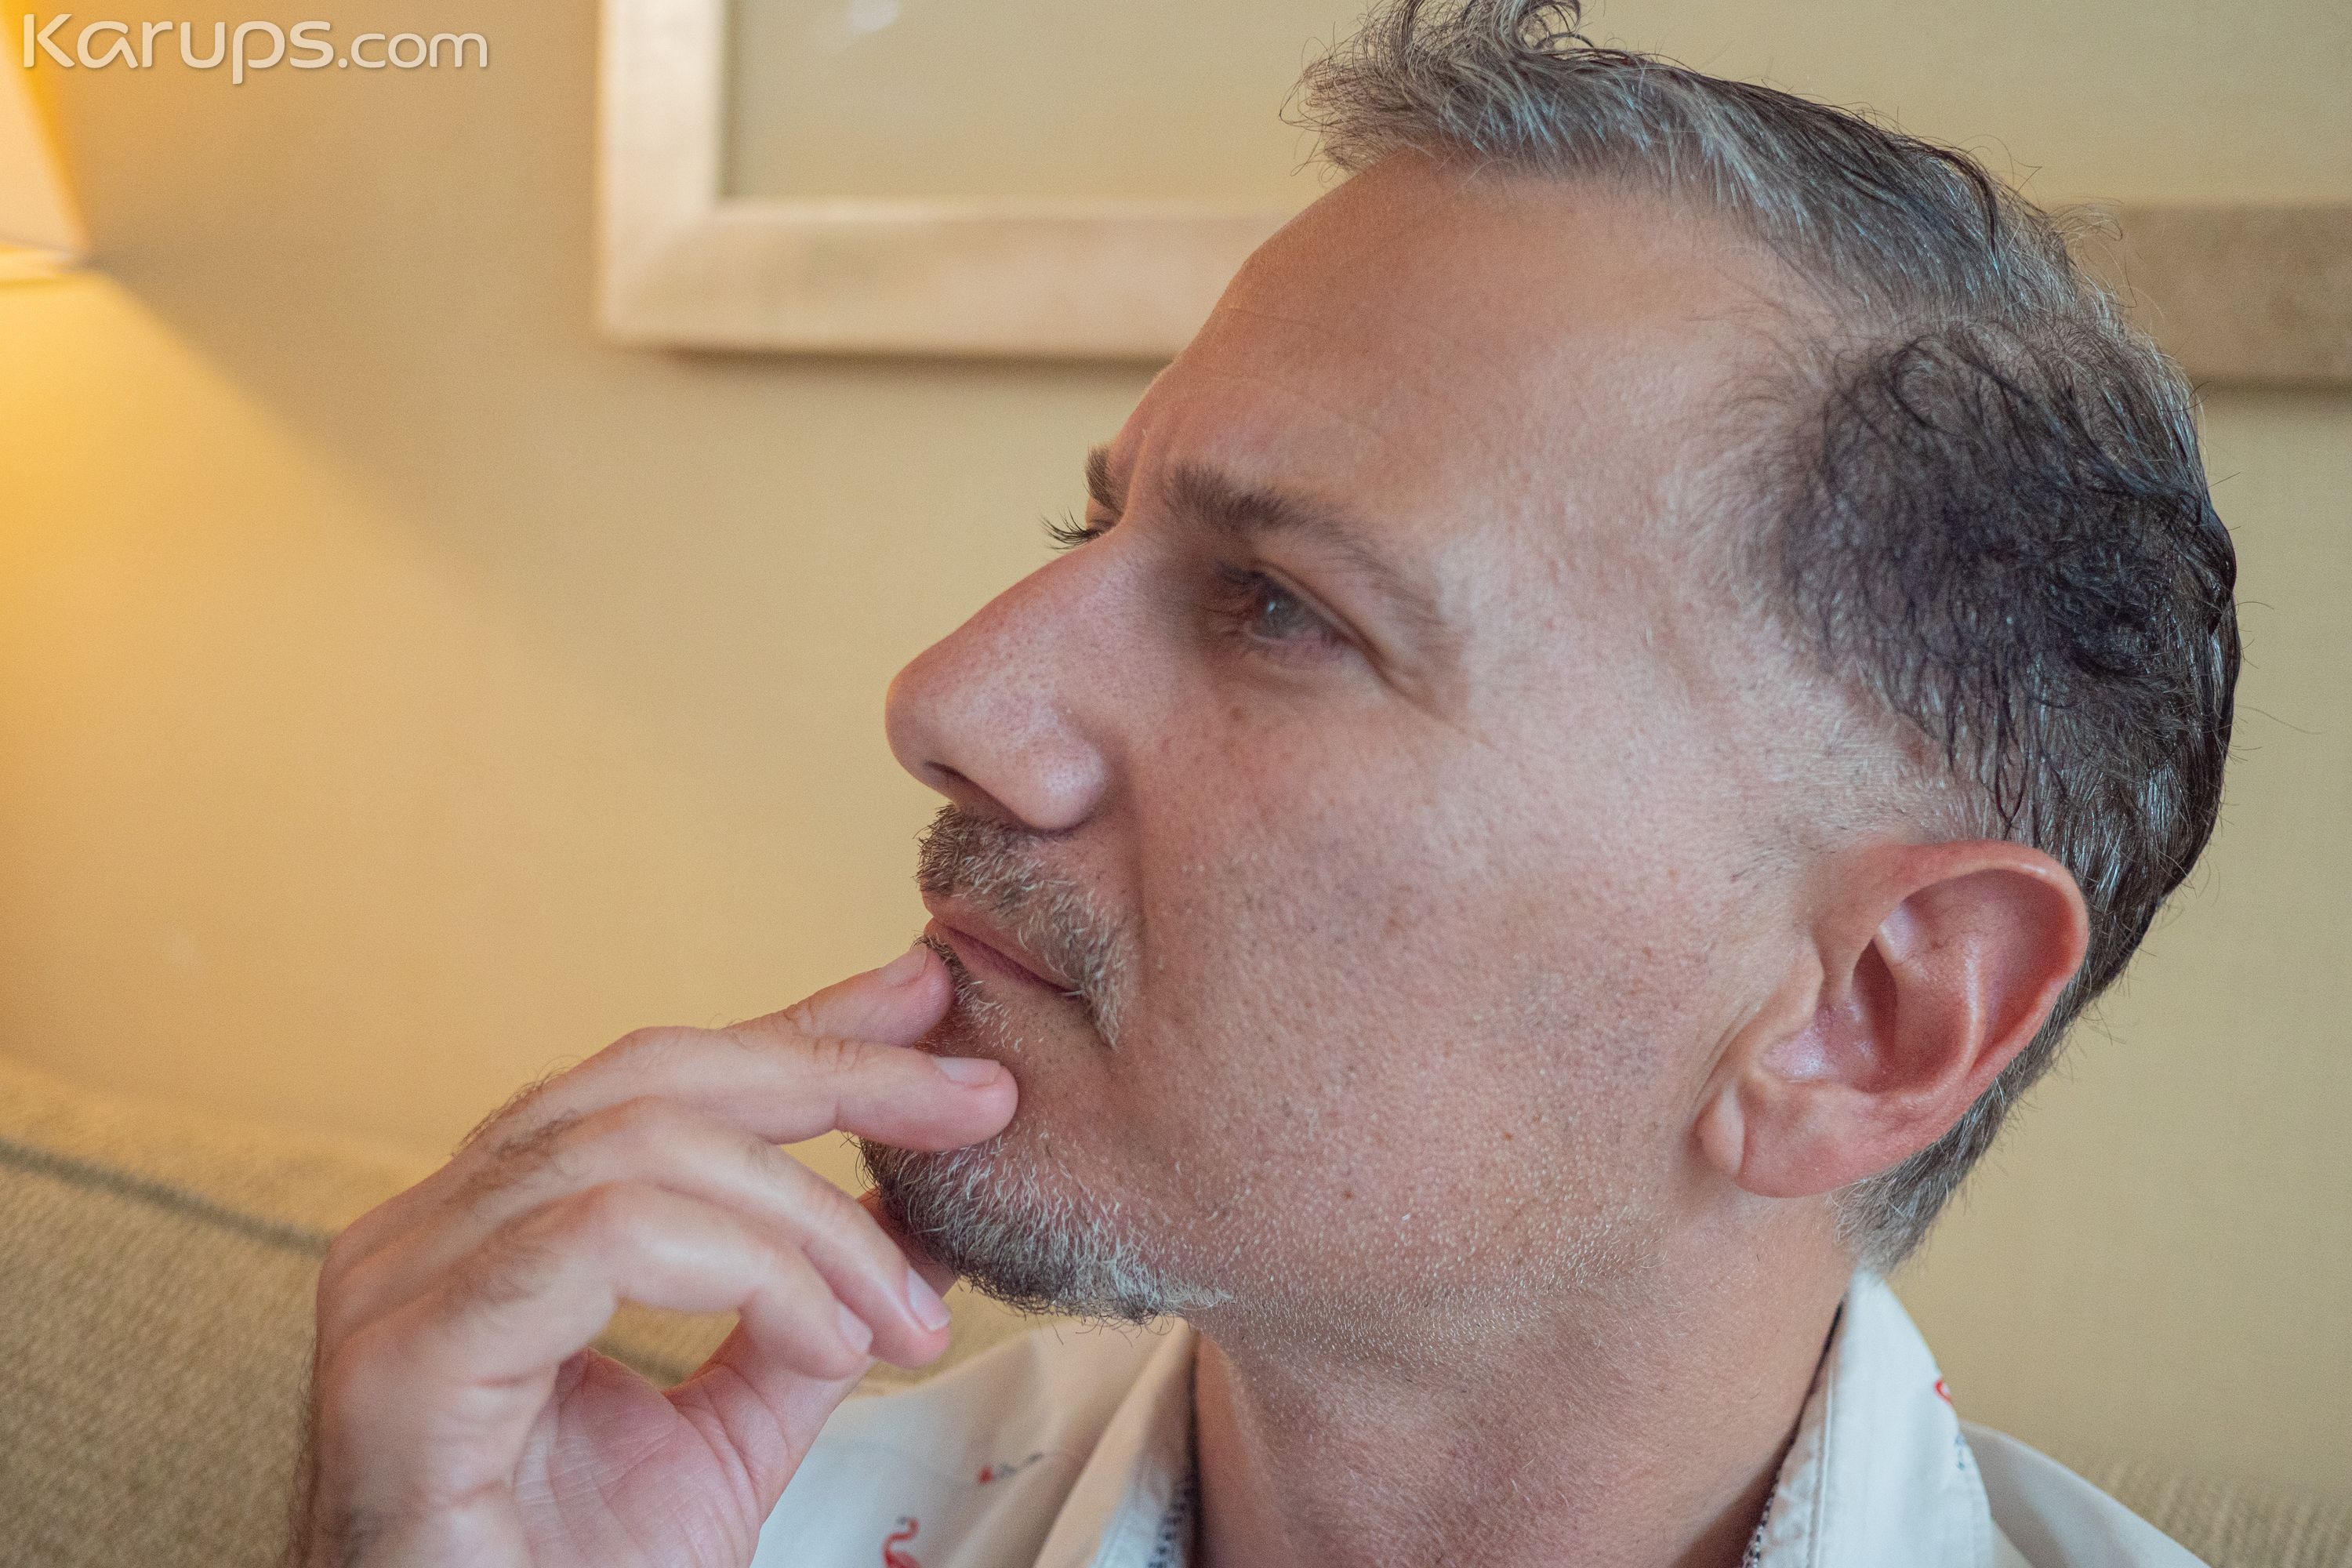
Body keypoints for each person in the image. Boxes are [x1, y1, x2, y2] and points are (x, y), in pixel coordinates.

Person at [289, 3, 2241, 1564]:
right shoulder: (682, 1535)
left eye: (1280, 608)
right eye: (1092, 524)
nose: (954, 699)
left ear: (1869, 1013)